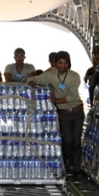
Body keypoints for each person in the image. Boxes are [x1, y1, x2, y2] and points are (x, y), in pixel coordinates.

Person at [27, 51, 85, 181]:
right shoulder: (51, 75)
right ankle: (67, 164)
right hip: (63, 113)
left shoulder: (74, 76)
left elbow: (73, 95)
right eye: (60, 63)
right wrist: (31, 82)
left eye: (65, 63)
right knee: (67, 141)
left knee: (76, 141)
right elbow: (36, 78)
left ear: (69, 64)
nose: (62, 66)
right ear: (55, 63)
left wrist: (56, 100)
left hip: (76, 111)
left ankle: (76, 168)